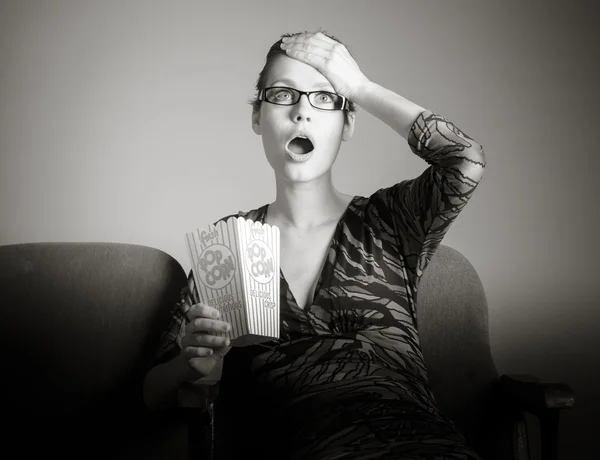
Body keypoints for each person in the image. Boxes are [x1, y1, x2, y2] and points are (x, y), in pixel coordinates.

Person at [143, 30, 486, 460]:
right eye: (284, 94)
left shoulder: (390, 223)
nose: (302, 111)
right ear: (257, 117)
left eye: (325, 97)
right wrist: (189, 365)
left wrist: (361, 87)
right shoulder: (232, 244)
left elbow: (465, 161)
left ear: (348, 123)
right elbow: (151, 392)